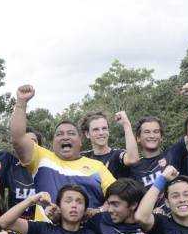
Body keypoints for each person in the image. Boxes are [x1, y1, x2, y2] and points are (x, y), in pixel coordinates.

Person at [11, 85, 114, 214]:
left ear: (80, 141)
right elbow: (18, 138)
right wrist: (21, 103)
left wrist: (98, 211)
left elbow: (117, 196)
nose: (65, 137)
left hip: (90, 227)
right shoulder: (41, 158)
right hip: (45, 227)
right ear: (53, 142)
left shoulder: (97, 167)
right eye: (59, 134)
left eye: (71, 133)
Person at [81, 110, 139, 176]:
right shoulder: (83, 157)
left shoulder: (117, 155)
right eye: (96, 129)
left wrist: (126, 124)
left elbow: (133, 159)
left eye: (104, 128)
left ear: (108, 131)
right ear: (87, 134)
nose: (101, 133)